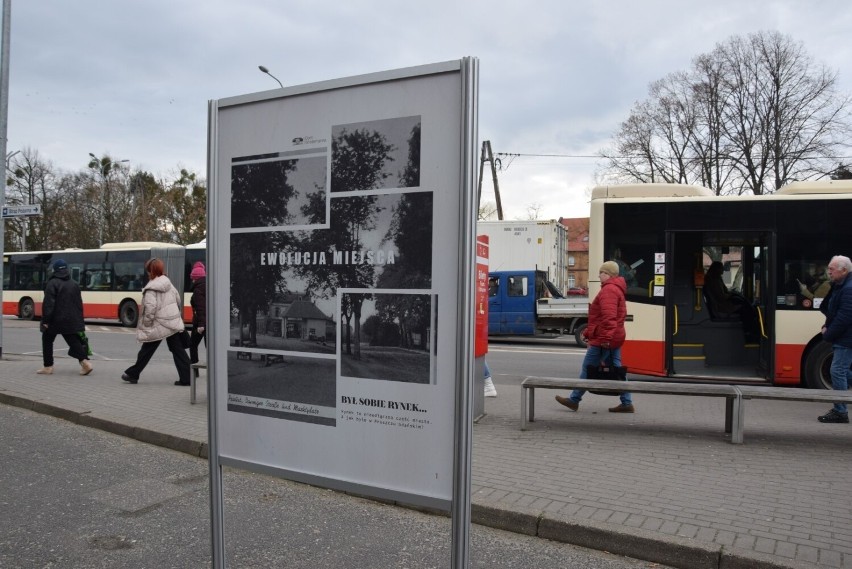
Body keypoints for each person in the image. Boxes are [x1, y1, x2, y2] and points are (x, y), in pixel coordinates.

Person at [555, 261, 633, 413]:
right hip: (613, 336)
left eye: (601, 273)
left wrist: (605, 339)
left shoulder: (609, 290)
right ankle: (627, 402)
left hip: (605, 339)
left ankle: (574, 400)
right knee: (617, 369)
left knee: (587, 368)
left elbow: (608, 318)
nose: (599, 275)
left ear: (608, 274)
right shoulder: (616, 288)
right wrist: (589, 333)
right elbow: (607, 319)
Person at [122, 258, 191, 386]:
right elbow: (178, 300)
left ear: (150, 271)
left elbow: (150, 308)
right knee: (178, 350)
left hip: (159, 323)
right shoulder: (168, 283)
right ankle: (187, 377)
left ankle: (133, 374)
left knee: (146, 350)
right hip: (171, 322)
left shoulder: (151, 287)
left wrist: (147, 324)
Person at [37, 259, 93, 376]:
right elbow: (79, 304)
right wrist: (79, 320)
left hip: (55, 320)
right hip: (71, 319)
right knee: (73, 340)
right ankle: (85, 363)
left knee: (47, 340)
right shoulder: (74, 283)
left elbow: (49, 304)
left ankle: (48, 366)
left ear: (55, 270)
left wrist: (46, 320)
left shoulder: (52, 283)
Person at [817, 255, 852, 423]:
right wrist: (827, 325)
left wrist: (828, 334)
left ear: (843, 270)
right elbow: (833, 310)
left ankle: (840, 411)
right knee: (843, 371)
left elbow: (845, 317)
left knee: (837, 371)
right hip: (844, 336)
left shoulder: (848, 288)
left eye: (832, 269)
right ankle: (840, 409)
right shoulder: (839, 285)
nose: (828, 272)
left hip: (847, 338)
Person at [704, 261, 758, 340]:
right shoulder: (714, 281)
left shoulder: (717, 279)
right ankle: (749, 332)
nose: (723, 269)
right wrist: (731, 295)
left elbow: (724, 292)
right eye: (721, 268)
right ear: (717, 269)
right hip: (721, 307)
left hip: (722, 304)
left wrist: (732, 293)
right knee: (744, 309)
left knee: (743, 304)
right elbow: (721, 296)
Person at [189, 261, 207, 365]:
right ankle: (213, 372)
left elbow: (200, 308)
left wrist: (200, 325)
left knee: (193, 345)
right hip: (208, 322)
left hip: (201, 324)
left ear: (196, 278)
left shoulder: (198, 289)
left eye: (193, 278)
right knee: (209, 347)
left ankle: (194, 371)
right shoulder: (209, 286)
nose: (192, 280)